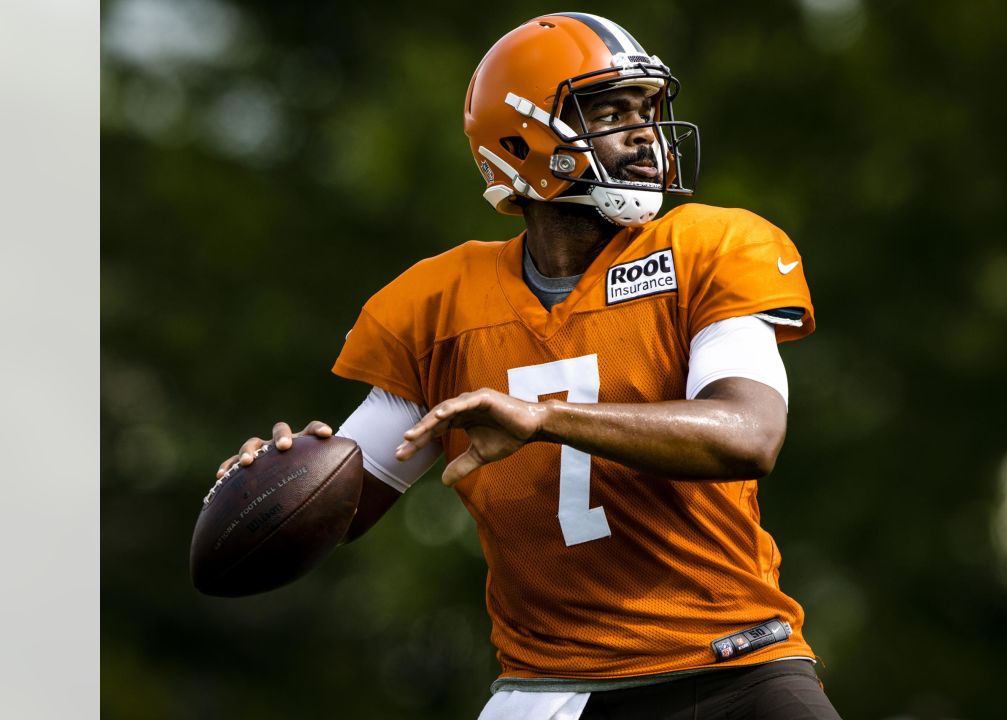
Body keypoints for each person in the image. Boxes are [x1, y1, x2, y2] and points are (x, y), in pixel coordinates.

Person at [214, 12, 840, 720]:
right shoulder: (441, 304)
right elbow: (346, 500)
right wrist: (279, 478)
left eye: (647, 110)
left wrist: (545, 419)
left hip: (737, 671)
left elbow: (748, 434)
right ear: (521, 139)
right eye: (611, 113)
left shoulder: (712, 246)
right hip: (549, 692)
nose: (643, 134)